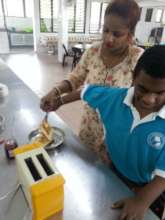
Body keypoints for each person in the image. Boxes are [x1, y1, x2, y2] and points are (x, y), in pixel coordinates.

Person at [40, 0, 143, 152]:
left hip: (118, 132)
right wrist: (55, 92)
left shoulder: (137, 58)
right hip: (90, 125)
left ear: (130, 34)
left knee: (108, 173)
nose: (109, 38)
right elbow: (75, 78)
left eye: (117, 34)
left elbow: (139, 97)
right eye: (106, 30)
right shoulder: (93, 51)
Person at [81, 45, 165, 219]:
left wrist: (142, 200)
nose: (149, 99)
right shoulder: (115, 98)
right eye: (143, 89)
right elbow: (85, 91)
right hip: (114, 173)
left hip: (149, 189)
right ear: (134, 77)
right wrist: (59, 98)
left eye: (160, 93)